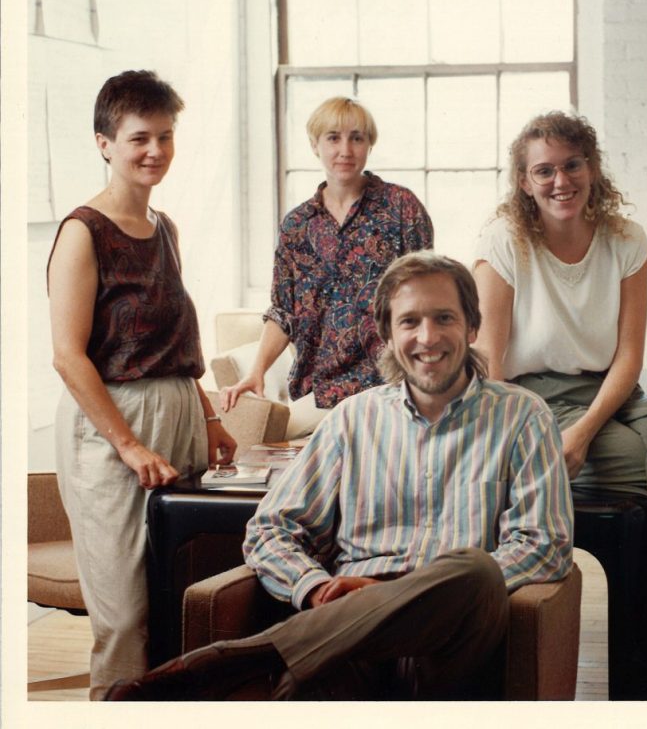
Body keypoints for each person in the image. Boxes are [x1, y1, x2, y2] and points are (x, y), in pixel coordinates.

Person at [105, 252, 575, 700]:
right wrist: (311, 587)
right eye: (409, 321)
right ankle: (283, 657)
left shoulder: (522, 415)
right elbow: (271, 531)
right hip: (341, 644)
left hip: (452, 641)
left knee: (476, 570)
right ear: (387, 336)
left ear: (472, 326)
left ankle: (236, 662)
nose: (427, 337)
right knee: (306, 689)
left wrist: (393, 595)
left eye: (444, 318)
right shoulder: (352, 420)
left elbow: (545, 544)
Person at [472, 111, 647, 695]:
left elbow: (628, 358)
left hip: (610, 395)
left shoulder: (626, 240)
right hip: (532, 401)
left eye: (572, 165)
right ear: (524, 181)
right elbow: (490, 362)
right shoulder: (503, 242)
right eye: (543, 170)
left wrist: (582, 432)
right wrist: (532, 434)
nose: (560, 181)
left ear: (593, 169)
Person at [47, 70, 237, 699]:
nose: (154, 150)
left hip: (178, 411)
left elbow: (178, 343)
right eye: (138, 138)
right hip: (111, 427)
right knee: (125, 614)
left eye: (165, 136)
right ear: (104, 142)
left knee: (175, 594)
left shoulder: (165, 229)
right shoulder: (83, 231)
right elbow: (69, 357)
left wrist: (209, 418)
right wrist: (129, 445)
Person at [220, 97, 433, 434]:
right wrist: (256, 371)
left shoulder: (401, 207)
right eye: (333, 137)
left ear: (369, 145)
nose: (345, 149)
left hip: (391, 383)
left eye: (357, 138)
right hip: (320, 390)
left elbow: (428, 295)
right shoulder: (297, 225)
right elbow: (283, 312)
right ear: (314, 145)